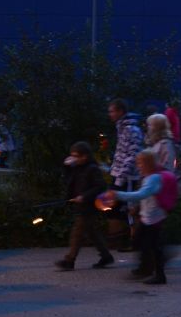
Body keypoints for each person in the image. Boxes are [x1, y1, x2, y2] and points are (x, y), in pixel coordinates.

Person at [107, 149, 172, 284]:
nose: (138, 166)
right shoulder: (149, 177)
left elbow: (141, 194)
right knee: (140, 242)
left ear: (148, 163)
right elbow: (145, 197)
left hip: (154, 218)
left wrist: (118, 194)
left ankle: (159, 275)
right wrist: (136, 209)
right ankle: (146, 269)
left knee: (153, 247)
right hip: (147, 217)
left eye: (141, 163)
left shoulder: (153, 178)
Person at [54, 142, 113, 271]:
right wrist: (67, 167)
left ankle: (70, 260)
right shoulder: (76, 167)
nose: (73, 158)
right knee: (91, 232)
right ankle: (106, 256)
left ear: (84, 156)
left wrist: (84, 196)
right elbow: (69, 181)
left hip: (89, 205)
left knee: (77, 232)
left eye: (76, 156)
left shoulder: (92, 168)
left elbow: (100, 186)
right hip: (80, 204)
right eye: (72, 156)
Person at [106, 99, 143, 251]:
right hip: (119, 174)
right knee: (117, 208)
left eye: (112, 111)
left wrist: (120, 178)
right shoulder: (121, 128)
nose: (110, 114)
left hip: (127, 177)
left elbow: (132, 154)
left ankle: (131, 241)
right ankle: (121, 240)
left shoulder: (131, 130)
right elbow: (122, 153)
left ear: (121, 111)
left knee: (128, 208)